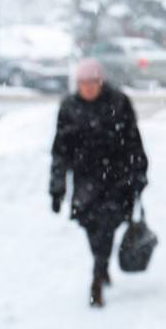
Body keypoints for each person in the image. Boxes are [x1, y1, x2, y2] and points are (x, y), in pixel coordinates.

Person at [49, 58, 148, 308]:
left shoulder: (118, 103)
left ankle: (96, 276)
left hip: (117, 178)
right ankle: (101, 263)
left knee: (107, 225)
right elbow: (60, 151)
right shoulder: (69, 108)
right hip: (84, 180)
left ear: (100, 81)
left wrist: (139, 174)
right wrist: (57, 188)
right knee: (90, 226)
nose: (88, 88)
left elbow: (134, 142)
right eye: (83, 83)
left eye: (92, 83)